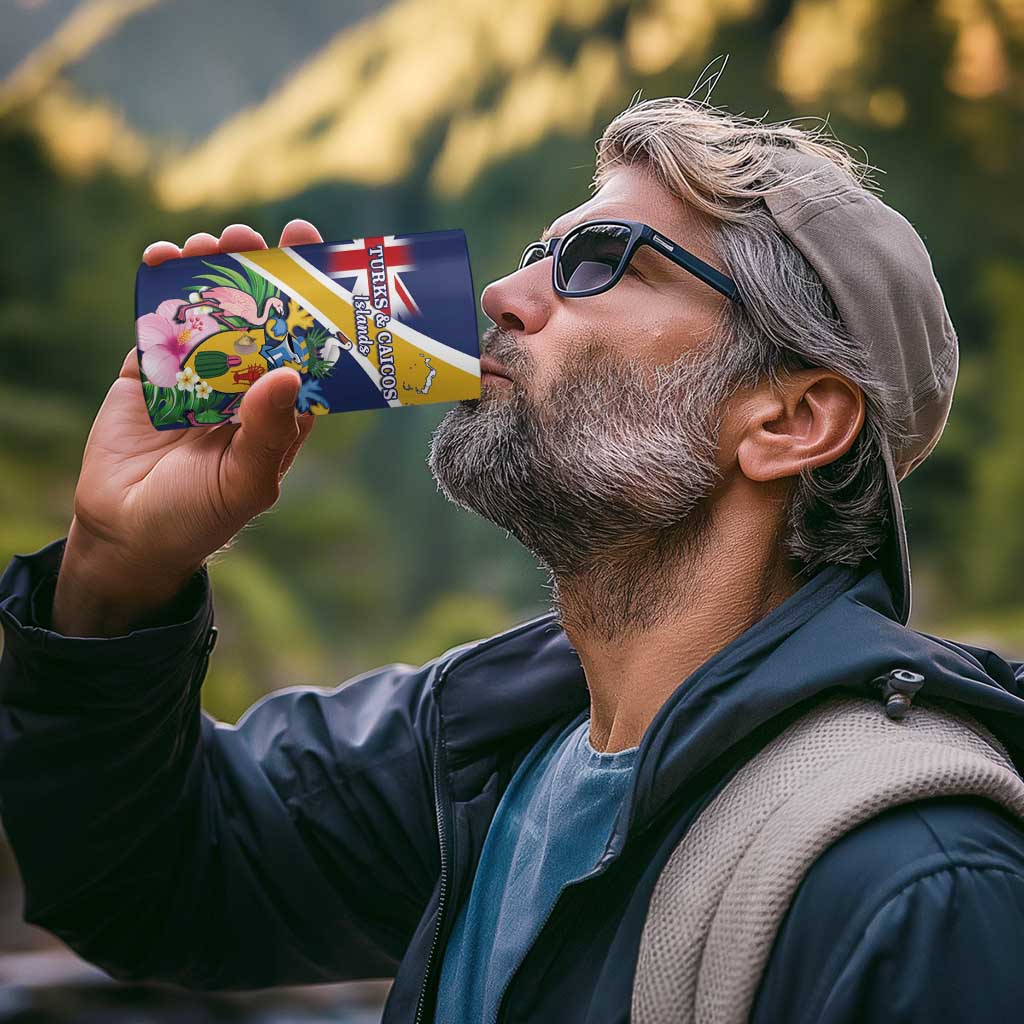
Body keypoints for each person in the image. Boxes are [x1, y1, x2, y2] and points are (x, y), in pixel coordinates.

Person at [2, 95, 1024, 1024]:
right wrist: (116, 574)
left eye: (602, 261)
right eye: (541, 252)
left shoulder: (919, 887)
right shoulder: (482, 746)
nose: (501, 292)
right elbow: (150, 879)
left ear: (790, 421)